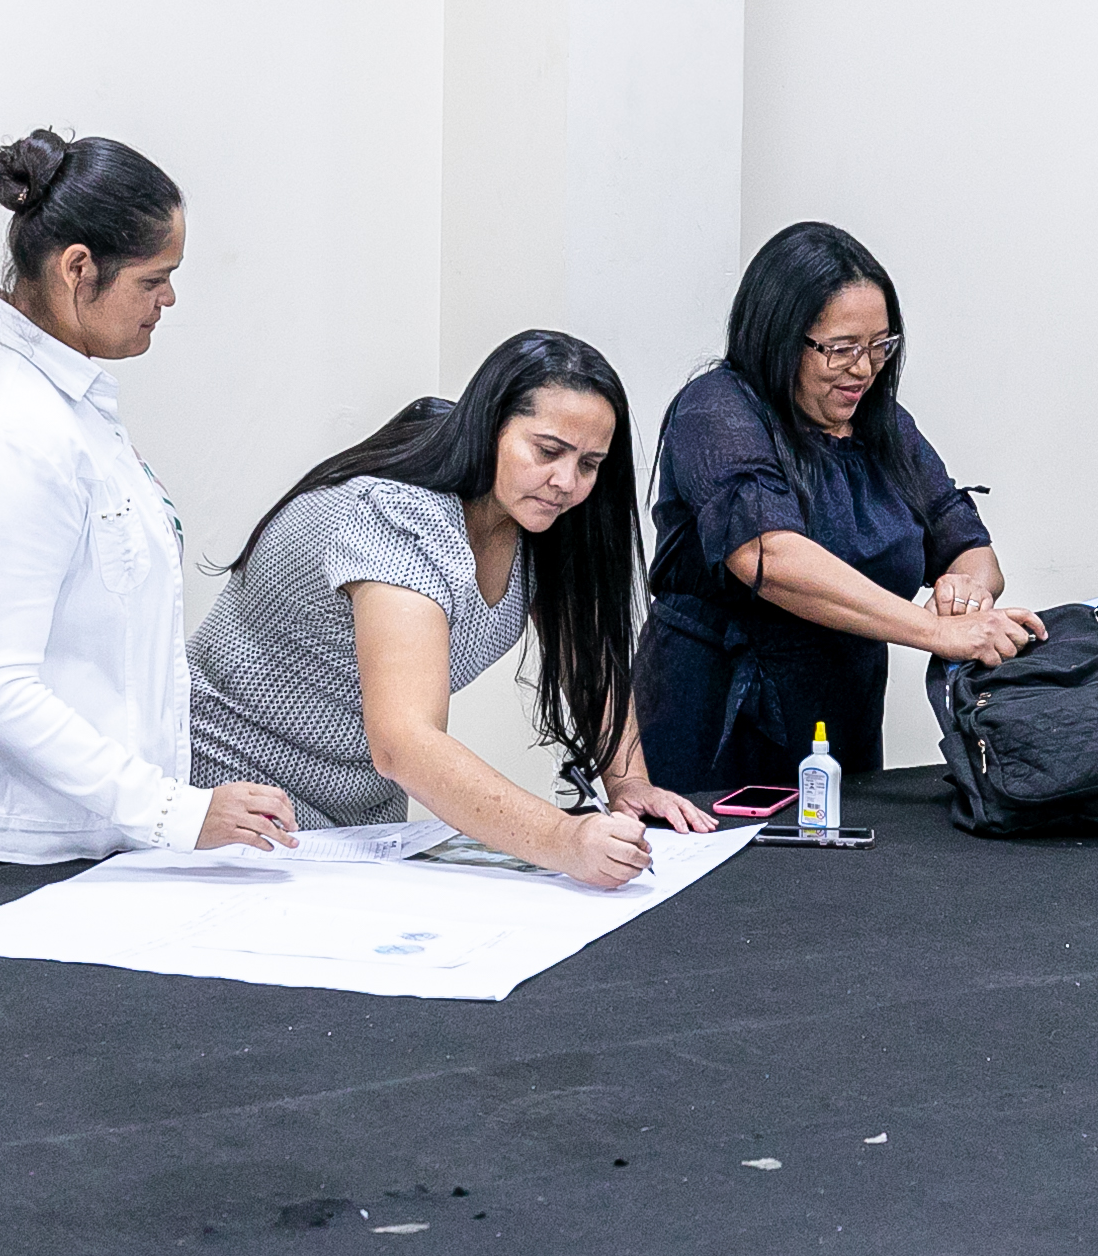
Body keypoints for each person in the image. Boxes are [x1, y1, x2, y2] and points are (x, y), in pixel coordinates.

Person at [0, 129, 298, 874]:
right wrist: (176, 811)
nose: (168, 299)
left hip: (50, 817)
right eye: (154, 279)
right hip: (11, 837)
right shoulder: (16, 431)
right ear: (78, 268)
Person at [189, 331, 714, 890]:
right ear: (490, 427)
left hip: (360, 824)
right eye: (547, 451)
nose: (566, 482)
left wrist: (628, 782)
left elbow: (587, 652)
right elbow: (404, 743)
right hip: (233, 800)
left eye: (589, 463)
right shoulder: (398, 517)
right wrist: (563, 838)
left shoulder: (537, 516)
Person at [633, 221, 1045, 792]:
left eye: (880, 346)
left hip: (842, 720)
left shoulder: (884, 426)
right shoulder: (716, 411)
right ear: (780, 337)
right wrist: (936, 632)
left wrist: (967, 592)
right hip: (716, 719)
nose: (864, 369)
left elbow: (970, 546)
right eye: (842, 349)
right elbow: (769, 558)